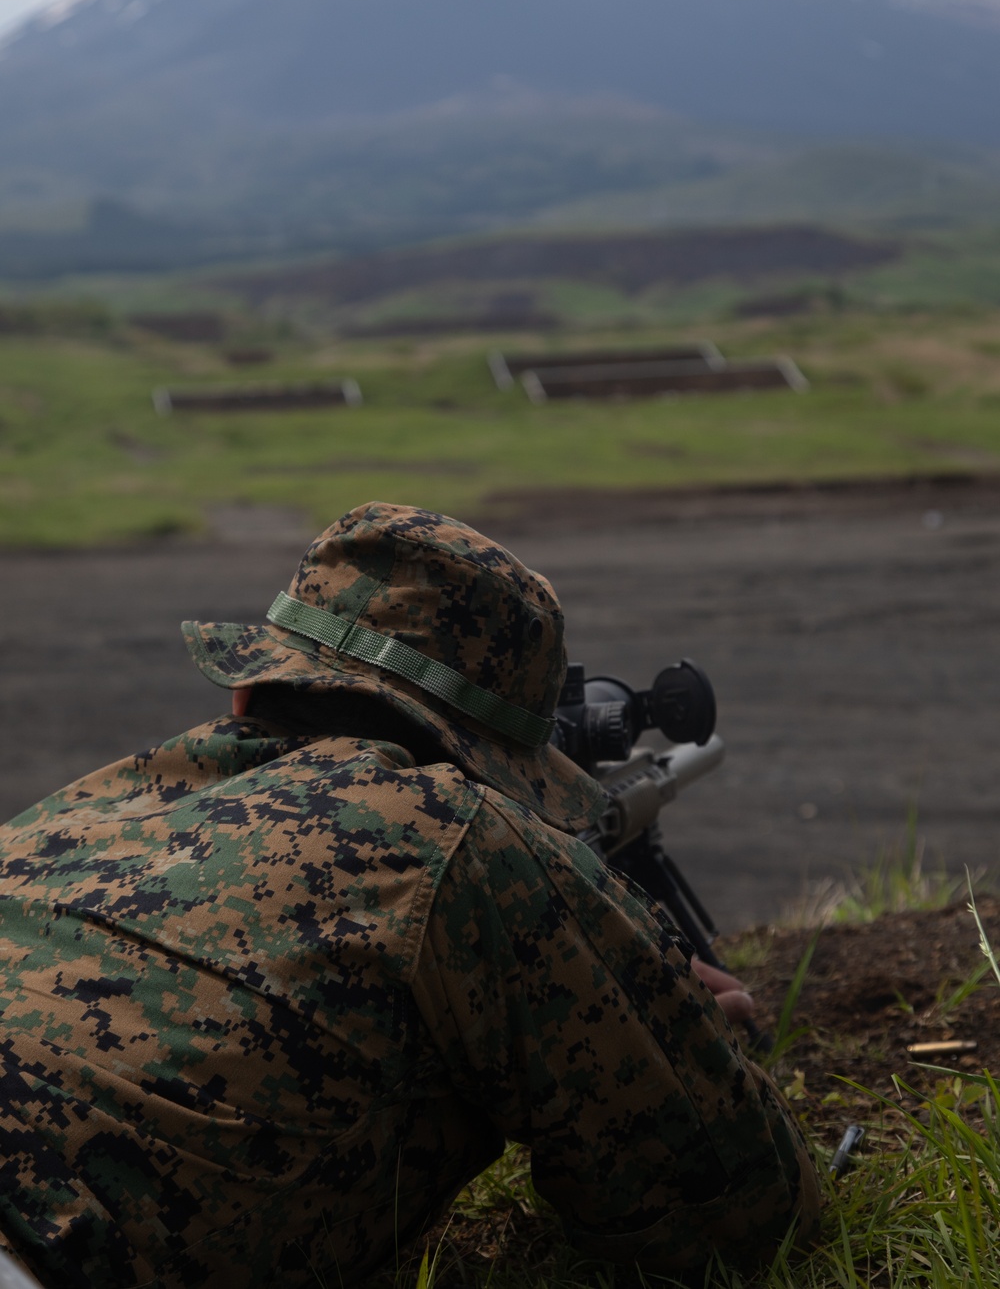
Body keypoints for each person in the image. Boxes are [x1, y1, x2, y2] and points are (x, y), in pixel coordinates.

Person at [0, 503, 821, 1288]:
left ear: (246, 692)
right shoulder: (457, 833)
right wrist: (662, 1021)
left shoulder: (57, 819)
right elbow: (741, 1212)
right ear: (493, 772)